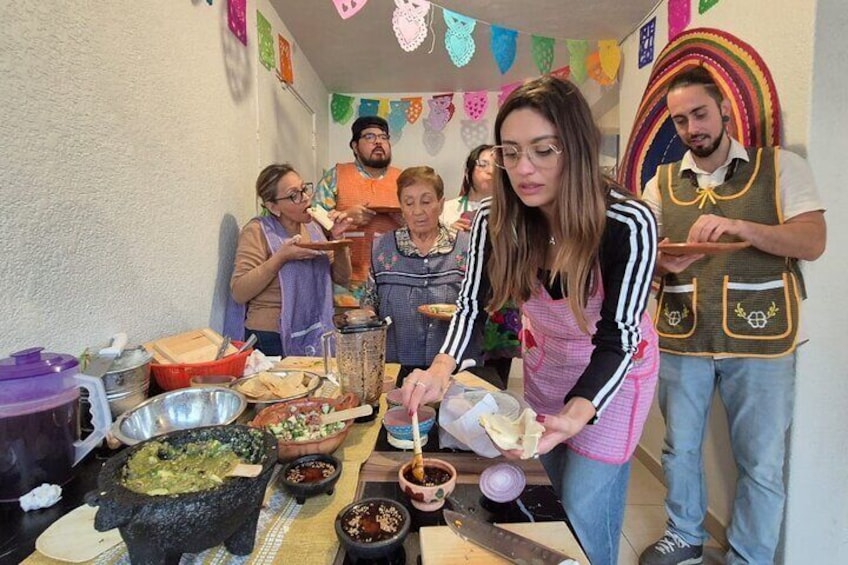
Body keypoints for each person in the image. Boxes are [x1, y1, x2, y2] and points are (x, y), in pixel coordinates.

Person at [401, 76, 660, 565]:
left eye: (543, 150)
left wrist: (576, 413)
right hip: (549, 366)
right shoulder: (493, 220)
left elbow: (620, 336)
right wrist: (440, 370)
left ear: (577, 149)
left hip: (611, 381)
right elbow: (472, 305)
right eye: (511, 152)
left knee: (585, 511)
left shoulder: (627, 223)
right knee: (554, 497)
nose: (524, 169)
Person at [637, 66, 827, 565]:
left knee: (762, 462)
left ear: (725, 109)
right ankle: (685, 535)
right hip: (684, 332)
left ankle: (750, 557)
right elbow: (639, 254)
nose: (691, 128)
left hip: (763, 340)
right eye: (680, 120)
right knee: (678, 448)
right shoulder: (659, 184)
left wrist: (743, 225)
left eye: (699, 113)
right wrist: (660, 258)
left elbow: (813, 241)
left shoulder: (781, 167)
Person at [231, 164, 352, 357]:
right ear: (273, 207)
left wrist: (339, 239)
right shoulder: (257, 231)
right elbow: (239, 291)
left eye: (304, 189)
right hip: (270, 336)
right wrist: (280, 258)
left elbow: (343, 278)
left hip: (314, 329)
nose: (305, 198)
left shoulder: (313, 228)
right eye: (294, 195)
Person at [361, 166, 470, 367]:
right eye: (409, 203)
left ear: (441, 204)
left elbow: (478, 304)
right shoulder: (382, 247)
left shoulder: (466, 247)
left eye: (426, 201)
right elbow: (370, 299)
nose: (418, 211)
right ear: (401, 207)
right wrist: (366, 317)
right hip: (395, 364)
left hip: (450, 365)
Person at [442, 144, 520, 387]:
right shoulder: (448, 209)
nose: (490, 171)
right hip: (457, 295)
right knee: (459, 372)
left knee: (495, 379)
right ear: (469, 170)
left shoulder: (512, 211)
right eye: (483, 164)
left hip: (501, 300)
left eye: (496, 165)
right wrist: (447, 229)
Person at [313, 115, 403, 307]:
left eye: (384, 137)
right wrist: (347, 216)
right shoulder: (336, 176)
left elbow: (424, 225)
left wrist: (405, 219)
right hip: (345, 285)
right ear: (355, 146)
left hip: (394, 280)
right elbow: (313, 224)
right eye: (370, 136)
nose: (378, 141)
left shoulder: (404, 180)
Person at [440, 144, 496, 233]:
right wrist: (449, 234)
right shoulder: (445, 210)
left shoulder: (510, 211)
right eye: (483, 164)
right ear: (467, 172)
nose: (491, 171)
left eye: (497, 167)